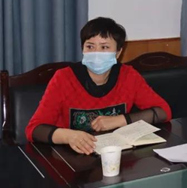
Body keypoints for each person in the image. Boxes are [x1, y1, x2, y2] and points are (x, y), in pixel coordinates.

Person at [26, 17, 172, 155]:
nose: (96, 53)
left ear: (118, 52)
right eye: (90, 46)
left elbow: (164, 111)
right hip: (72, 159)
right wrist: (68, 136)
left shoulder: (128, 76)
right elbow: (34, 129)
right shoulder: (64, 78)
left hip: (117, 155)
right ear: (83, 49)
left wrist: (120, 120)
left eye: (104, 47)